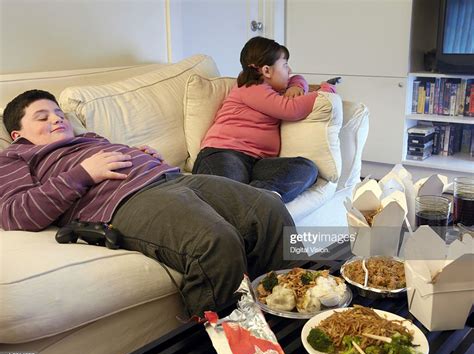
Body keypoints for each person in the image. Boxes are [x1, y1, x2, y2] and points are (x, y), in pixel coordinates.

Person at [0, 89, 297, 317]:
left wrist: (142, 156)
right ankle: (232, 346)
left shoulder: (87, 139)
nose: (56, 119)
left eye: (58, 113)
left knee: (268, 210)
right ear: (17, 135)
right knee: (215, 242)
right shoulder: (15, 156)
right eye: (42, 117)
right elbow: (15, 213)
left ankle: (290, 316)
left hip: (174, 178)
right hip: (125, 201)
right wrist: (83, 173)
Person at [192, 36, 336, 203]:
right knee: (229, 192)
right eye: (285, 65)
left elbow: (296, 78)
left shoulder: (272, 90)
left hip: (258, 163)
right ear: (266, 71)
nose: (289, 70)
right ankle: (251, 205)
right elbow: (291, 109)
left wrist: (297, 85)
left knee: (307, 169)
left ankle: (261, 197)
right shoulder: (250, 88)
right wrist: (324, 94)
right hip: (224, 153)